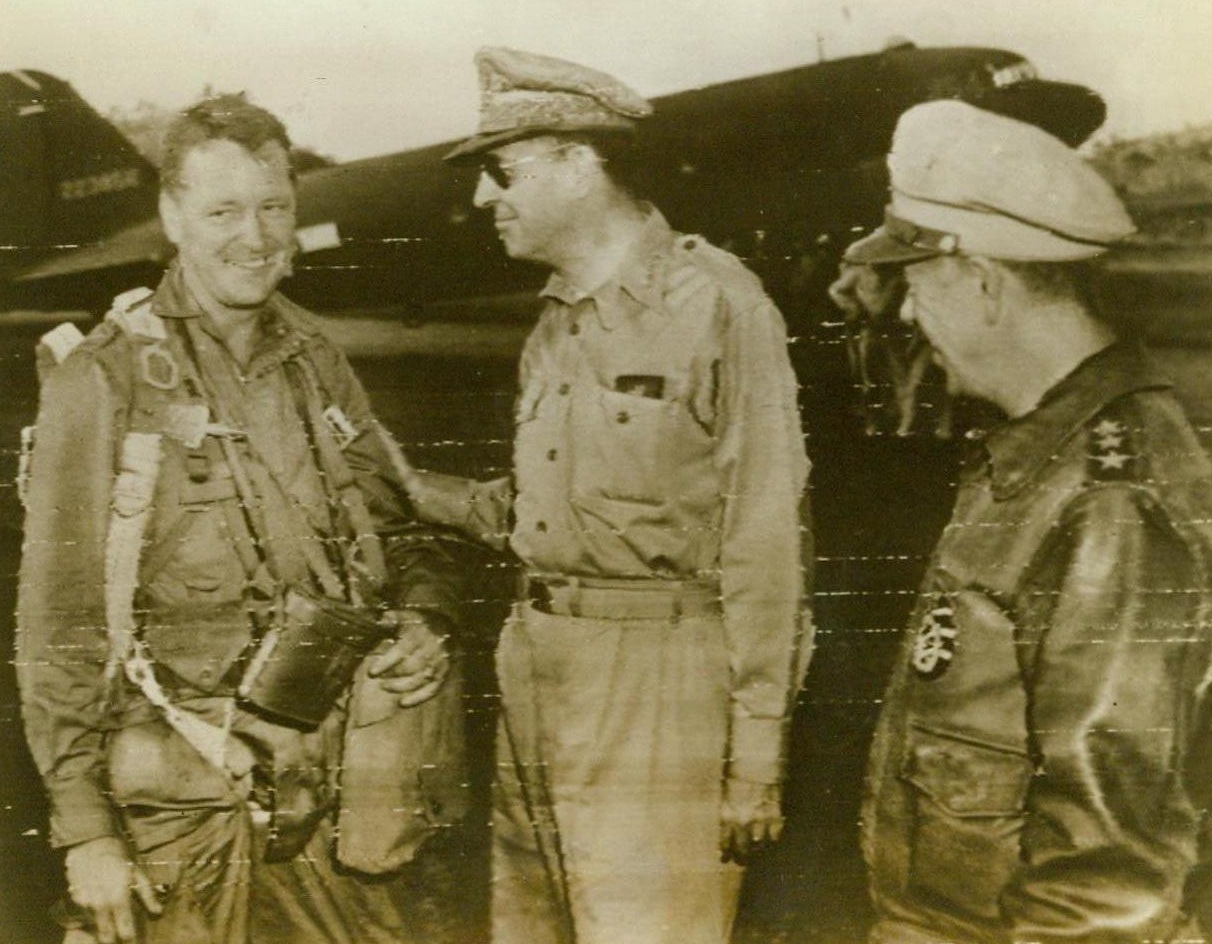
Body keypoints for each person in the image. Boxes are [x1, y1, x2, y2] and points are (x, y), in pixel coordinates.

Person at [17, 94, 468, 944]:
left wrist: (425, 616)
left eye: (273, 208)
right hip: (181, 815)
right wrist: (86, 832)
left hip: (334, 800)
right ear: (172, 216)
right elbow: (59, 625)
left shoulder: (315, 359)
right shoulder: (105, 382)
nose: (254, 237)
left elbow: (402, 523)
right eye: (223, 210)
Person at [400, 46, 812, 944]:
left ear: (578, 161)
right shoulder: (553, 324)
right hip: (537, 668)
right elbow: (550, 513)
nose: (482, 198)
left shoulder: (718, 306)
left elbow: (766, 538)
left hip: (658, 685)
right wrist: (412, 488)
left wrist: (756, 754)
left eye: (501, 172)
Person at [839, 99, 1212, 944]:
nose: (904, 316)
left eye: (916, 284)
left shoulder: (1110, 501)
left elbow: (1105, 885)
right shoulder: (1038, 458)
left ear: (979, 280)